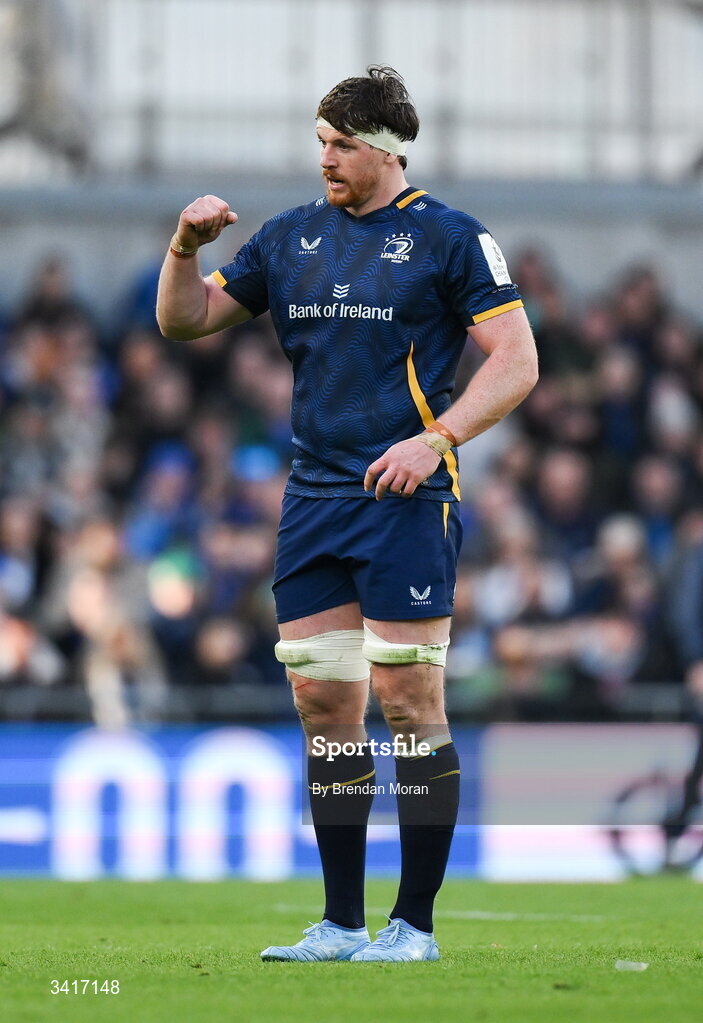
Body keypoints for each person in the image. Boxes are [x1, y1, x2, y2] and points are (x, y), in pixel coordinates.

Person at [156, 66, 538, 962]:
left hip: (405, 501)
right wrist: (181, 247)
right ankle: (339, 921)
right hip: (313, 502)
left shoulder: (450, 238)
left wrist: (436, 439)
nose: (323, 158)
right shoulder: (290, 237)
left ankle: (415, 925)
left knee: (408, 702)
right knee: (324, 703)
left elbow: (516, 361)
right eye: (318, 142)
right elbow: (186, 323)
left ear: (384, 150)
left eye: (339, 144)